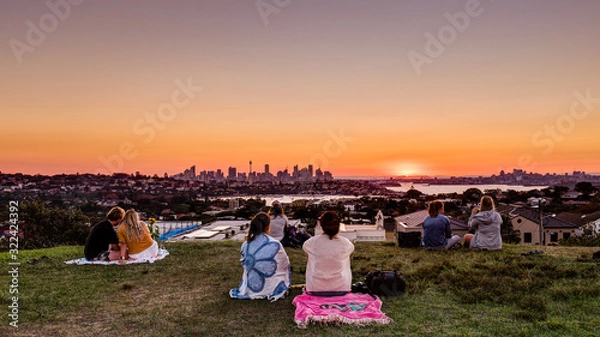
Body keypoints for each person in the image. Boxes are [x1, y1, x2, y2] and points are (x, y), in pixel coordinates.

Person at [230, 212, 291, 301]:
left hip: (250, 285)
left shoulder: (245, 244)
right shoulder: (275, 244)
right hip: (271, 286)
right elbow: (285, 264)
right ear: (267, 227)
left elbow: (244, 263)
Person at [303, 211, 354, 295]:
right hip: (342, 289)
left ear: (321, 225)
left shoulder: (311, 243)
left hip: (315, 289)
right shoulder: (346, 243)